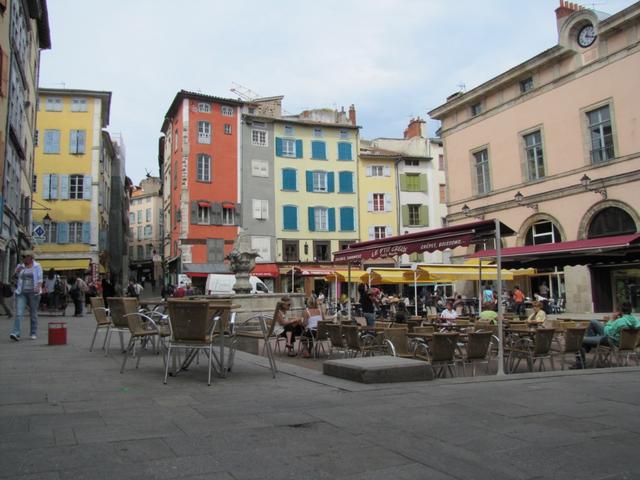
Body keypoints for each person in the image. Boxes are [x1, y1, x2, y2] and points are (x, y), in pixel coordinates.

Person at [10, 250, 43, 341]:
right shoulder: (20, 266)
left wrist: (38, 287)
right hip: (21, 292)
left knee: (33, 313)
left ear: (30, 257)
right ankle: (16, 333)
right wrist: (16, 272)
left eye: (25, 257)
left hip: (34, 292)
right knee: (19, 313)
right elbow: (13, 278)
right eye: (22, 257)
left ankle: (33, 332)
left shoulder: (37, 266)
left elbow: (40, 279)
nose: (23, 259)